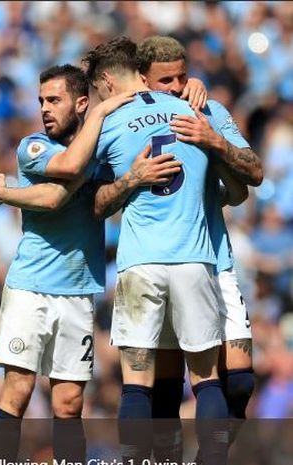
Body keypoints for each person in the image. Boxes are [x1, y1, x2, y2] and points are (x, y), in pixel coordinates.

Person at [93, 35, 263, 462]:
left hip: (213, 259)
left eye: (183, 76)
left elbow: (252, 175)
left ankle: (209, 453)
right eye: (165, 79)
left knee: (239, 381)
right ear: (144, 81)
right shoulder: (130, 117)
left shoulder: (207, 111)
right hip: (184, 259)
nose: (176, 85)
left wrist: (215, 140)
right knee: (169, 389)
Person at [0, 64, 133, 463]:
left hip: (78, 290)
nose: (45, 109)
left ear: (80, 102)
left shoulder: (102, 151)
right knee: (17, 391)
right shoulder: (33, 147)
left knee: (69, 404)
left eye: (54, 100)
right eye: (41, 101)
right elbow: (67, 173)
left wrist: (6, 195)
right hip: (29, 286)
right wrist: (102, 113)